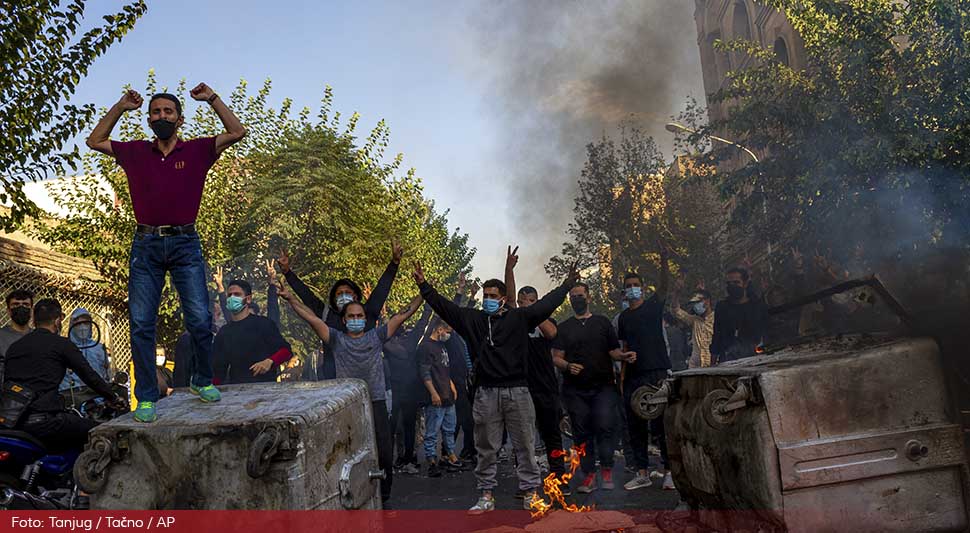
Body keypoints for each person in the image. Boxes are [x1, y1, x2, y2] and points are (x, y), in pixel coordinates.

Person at [86, 85, 247, 422]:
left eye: (168, 112)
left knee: (200, 319)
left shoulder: (199, 150)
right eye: (156, 112)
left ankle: (201, 380)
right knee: (142, 323)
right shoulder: (134, 152)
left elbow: (237, 131)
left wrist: (213, 99)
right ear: (148, 119)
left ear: (179, 119)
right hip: (146, 245)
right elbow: (95, 140)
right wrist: (120, 106)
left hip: (186, 243)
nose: (162, 117)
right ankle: (146, 397)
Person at [413, 256, 579, 514]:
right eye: (485, 295)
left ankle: (531, 493)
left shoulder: (519, 318)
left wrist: (567, 284)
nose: (487, 299)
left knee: (524, 445)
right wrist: (424, 286)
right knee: (486, 447)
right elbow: (445, 307)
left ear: (503, 298)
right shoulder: (474, 320)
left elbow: (547, 304)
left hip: (519, 391)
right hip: (486, 393)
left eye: (492, 294)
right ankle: (486, 494)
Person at [280, 280, 423, 506]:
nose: (356, 320)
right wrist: (290, 299)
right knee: (348, 452)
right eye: (351, 317)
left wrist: (424, 290)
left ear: (365, 320)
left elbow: (403, 315)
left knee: (384, 453)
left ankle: (384, 497)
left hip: (375, 401)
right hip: (348, 404)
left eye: (359, 316)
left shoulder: (376, 336)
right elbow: (311, 317)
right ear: (344, 320)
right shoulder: (336, 339)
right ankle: (348, 496)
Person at [2, 299, 125, 452]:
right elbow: (89, 376)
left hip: (13, 421)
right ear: (58, 320)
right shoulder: (61, 344)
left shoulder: (14, 347)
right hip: (46, 421)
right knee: (103, 432)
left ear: (34, 320)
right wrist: (112, 397)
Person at [552, 282, 636, 494]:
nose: (576, 299)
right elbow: (556, 358)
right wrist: (568, 366)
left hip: (603, 387)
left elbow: (613, 351)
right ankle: (588, 475)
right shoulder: (564, 327)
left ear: (588, 297)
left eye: (579, 295)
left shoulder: (602, 322)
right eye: (573, 296)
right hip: (575, 390)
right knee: (581, 432)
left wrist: (624, 356)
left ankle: (607, 469)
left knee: (605, 426)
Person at [276, 243, 402, 380]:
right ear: (334, 298)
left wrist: (394, 263)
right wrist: (287, 272)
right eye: (339, 294)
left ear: (355, 296)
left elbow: (382, 289)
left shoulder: (367, 313)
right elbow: (307, 296)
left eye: (347, 292)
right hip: (334, 382)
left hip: (368, 382)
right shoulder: (326, 314)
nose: (343, 296)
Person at [504, 245, 567, 491]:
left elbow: (552, 333)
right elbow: (508, 299)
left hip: (545, 388)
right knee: (523, 439)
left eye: (529, 302)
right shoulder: (514, 320)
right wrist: (509, 268)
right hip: (521, 388)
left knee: (551, 434)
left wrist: (535, 313)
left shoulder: (545, 321)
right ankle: (527, 483)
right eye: (522, 302)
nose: (523, 306)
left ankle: (559, 479)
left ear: (537, 303)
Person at [617, 266, 676, 492]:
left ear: (642, 288)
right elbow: (624, 347)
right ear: (624, 292)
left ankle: (670, 472)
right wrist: (622, 378)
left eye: (635, 285)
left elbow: (664, 286)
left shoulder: (653, 308)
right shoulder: (623, 317)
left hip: (657, 372)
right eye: (628, 286)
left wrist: (662, 259)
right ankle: (642, 473)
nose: (632, 289)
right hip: (633, 375)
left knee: (661, 425)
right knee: (636, 426)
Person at [212, 280, 292, 384]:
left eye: (237, 294)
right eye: (229, 295)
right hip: (236, 391)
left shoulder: (264, 324)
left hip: (266, 390)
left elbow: (286, 351)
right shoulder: (223, 332)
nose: (232, 298)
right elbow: (219, 372)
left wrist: (270, 361)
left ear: (248, 299)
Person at [384, 302, 432, 474]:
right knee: (403, 427)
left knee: (399, 427)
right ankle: (405, 458)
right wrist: (427, 308)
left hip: (400, 391)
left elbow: (422, 323)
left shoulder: (388, 343)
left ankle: (401, 458)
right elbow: (423, 323)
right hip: (401, 391)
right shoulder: (406, 341)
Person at [418, 318, 462, 477]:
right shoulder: (425, 347)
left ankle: (450, 455)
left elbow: (444, 368)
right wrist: (433, 393)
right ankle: (431, 460)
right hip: (436, 397)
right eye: (448, 331)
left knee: (449, 429)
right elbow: (425, 373)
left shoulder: (442, 346)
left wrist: (451, 385)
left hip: (447, 395)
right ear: (439, 329)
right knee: (432, 431)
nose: (449, 334)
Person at [710, 267, 768, 364]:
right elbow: (717, 335)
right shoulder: (722, 307)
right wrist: (712, 364)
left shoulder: (757, 306)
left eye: (736, 283)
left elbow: (765, 332)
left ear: (745, 284)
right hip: (728, 358)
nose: (732, 286)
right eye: (729, 283)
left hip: (755, 358)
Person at [60, 308, 111, 391]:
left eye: (86, 323)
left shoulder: (99, 348)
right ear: (72, 325)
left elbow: (107, 374)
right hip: (74, 396)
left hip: (97, 395)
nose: (82, 327)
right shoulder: (65, 348)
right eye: (78, 324)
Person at [671, 283, 715, 368]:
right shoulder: (694, 320)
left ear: (708, 301)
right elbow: (676, 311)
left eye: (698, 302)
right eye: (694, 303)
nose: (696, 305)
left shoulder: (718, 318)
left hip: (713, 365)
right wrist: (676, 294)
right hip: (695, 366)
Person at [0, 290, 33, 360]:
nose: (21, 307)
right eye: (15, 304)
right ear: (8, 311)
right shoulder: (1, 337)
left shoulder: (38, 336)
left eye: (26, 304)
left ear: (31, 310)